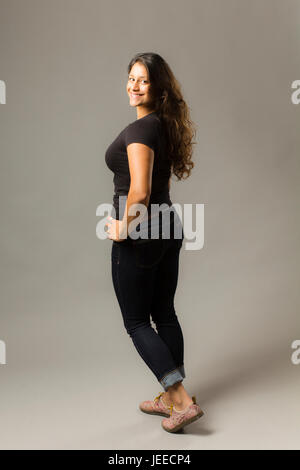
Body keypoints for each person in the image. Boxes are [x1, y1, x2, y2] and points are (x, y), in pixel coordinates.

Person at [104, 52, 204, 432]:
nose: (133, 85)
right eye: (131, 77)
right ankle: (169, 399)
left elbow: (140, 192)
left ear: (158, 87)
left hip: (142, 233)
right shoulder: (161, 126)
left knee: (136, 321)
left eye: (143, 80)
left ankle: (180, 401)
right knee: (164, 313)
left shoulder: (140, 130)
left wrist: (122, 228)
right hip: (168, 228)